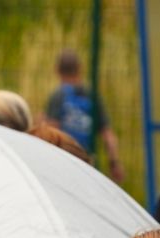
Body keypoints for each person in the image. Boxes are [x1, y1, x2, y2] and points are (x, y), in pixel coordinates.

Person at [44, 48, 123, 183]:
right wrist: (114, 162)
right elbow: (108, 135)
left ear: (57, 69)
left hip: (62, 161)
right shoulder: (93, 96)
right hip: (87, 161)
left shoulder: (58, 95)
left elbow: (51, 130)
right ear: (80, 68)